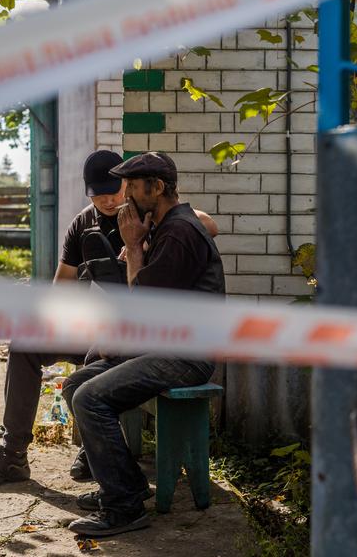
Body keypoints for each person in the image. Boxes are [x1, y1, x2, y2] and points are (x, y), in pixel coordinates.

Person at [0, 150, 218, 488]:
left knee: (91, 372)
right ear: (89, 194)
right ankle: (12, 456)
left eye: (116, 193)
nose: (111, 201)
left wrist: (138, 244)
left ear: (126, 188)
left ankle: (94, 448)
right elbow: (62, 289)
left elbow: (206, 225)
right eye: (100, 197)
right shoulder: (84, 224)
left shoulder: (148, 217)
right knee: (25, 344)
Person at [62, 152, 226, 537]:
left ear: (156, 187)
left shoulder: (180, 232)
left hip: (186, 355)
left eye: (133, 187)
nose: (126, 196)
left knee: (90, 398)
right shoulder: (165, 226)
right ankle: (127, 484)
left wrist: (135, 247)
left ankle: (124, 508)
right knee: (74, 386)